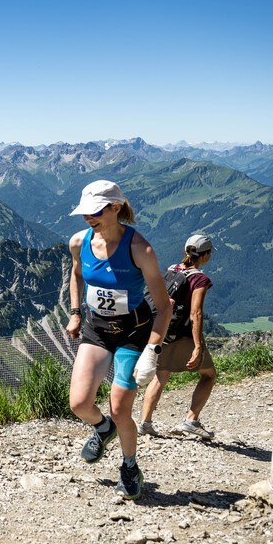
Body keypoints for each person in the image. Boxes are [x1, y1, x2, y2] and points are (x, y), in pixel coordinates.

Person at [65, 180, 170, 500]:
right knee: (79, 403)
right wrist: (75, 312)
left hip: (133, 333)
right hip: (96, 329)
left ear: (115, 208)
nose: (87, 218)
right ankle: (103, 428)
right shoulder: (78, 242)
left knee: (121, 408)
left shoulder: (140, 249)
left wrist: (152, 351)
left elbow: (164, 307)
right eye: (84, 212)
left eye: (94, 212)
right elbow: (76, 274)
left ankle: (129, 466)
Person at [138, 234, 217, 439]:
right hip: (181, 335)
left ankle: (145, 423)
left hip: (160, 330)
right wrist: (198, 346)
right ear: (206, 254)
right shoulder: (199, 278)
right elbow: (195, 313)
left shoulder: (172, 269)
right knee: (208, 375)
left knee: (160, 376)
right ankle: (191, 420)